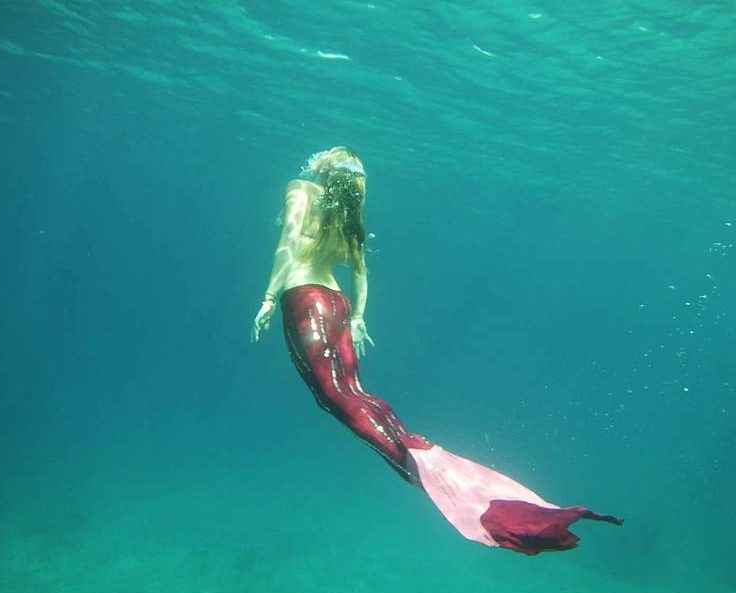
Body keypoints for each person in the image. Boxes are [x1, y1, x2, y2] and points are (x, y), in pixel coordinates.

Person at [251, 146, 622, 555]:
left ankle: (415, 466)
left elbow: (287, 242)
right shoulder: (349, 211)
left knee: (335, 398)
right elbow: (360, 271)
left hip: (304, 299)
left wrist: (269, 298)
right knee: (353, 391)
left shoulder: (301, 189)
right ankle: (416, 449)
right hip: (336, 302)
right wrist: (357, 319)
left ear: (321, 168)